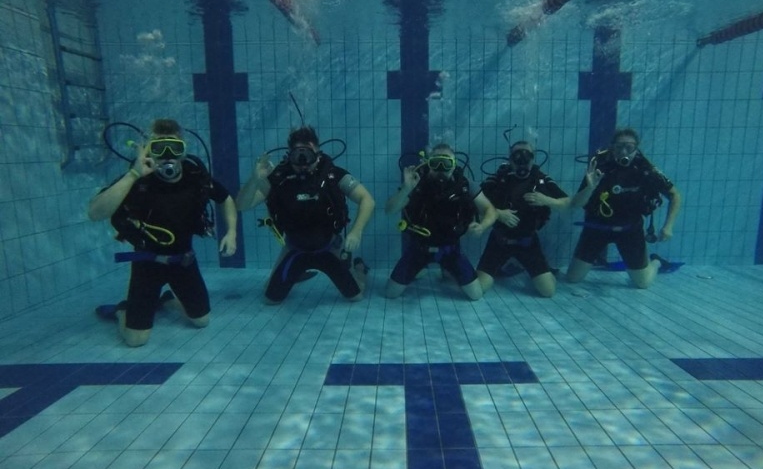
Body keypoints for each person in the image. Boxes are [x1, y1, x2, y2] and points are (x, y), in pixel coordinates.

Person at [88, 119, 237, 347]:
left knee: (202, 321)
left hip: (184, 261)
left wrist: (232, 232)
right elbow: (95, 213)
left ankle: (168, 300)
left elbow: (225, 198)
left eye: (174, 148)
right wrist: (133, 175)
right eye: (159, 148)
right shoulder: (138, 179)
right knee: (136, 340)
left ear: (183, 150)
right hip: (147, 264)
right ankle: (122, 311)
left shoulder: (196, 176)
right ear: (149, 150)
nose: (168, 155)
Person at [236, 126, 374, 303]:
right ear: (289, 155)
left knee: (356, 296)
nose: (303, 163)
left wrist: (356, 231)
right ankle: (297, 273)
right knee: (270, 298)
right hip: (294, 248)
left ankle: (359, 270)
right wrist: (255, 179)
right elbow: (242, 205)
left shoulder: (332, 175)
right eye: (298, 156)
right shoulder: (279, 178)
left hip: (329, 247)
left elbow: (367, 200)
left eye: (308, 155)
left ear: (318, 153)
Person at [566, 127, 682, 288]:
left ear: (637, 148)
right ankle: (592, 258)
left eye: (629, 147)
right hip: (597, 227)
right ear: (612, 147)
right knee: (573, 278)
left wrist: (668, 226)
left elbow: (675, 195)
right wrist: (590, 187)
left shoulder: (646, 169)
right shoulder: (599, 167)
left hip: (630, 230)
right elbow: (577, 203)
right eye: (619, 147)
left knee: (643, 283)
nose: (624, 151)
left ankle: (656, 262)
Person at [385, 143, 497, 301]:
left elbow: (490, 210)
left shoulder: (464, 185)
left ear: (454, 164)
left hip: (450, 250)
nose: (441, 169)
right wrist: (406, 188)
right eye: (435, 163)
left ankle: (446, 270)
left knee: (476, 295)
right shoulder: (417, 183)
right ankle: (423, 269)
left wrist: (482, 226)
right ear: (428, 164)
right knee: (390, 294)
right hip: (419, 249)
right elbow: (389, 210)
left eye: (446, 164)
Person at [476, 141, 570, 297]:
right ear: (510, 158)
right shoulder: (497, 179)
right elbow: (475, 205)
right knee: (479, 289)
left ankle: (529, 268)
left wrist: (547, 200)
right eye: (517, 155)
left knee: (548, 291)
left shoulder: (541, 179)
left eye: (527, 155)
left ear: (533, 158)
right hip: (499, 241)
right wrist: (498, 213)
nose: (522, 159)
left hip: (528, 242)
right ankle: (509, 266)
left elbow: (567, 203)